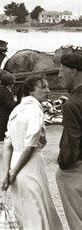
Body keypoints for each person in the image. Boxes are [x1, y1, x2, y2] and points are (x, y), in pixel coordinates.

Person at [1, 76, 63, 229]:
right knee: (36, 209)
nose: (48, 91)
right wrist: (13, 172)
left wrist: (7, 172)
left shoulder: (17, 109)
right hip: (30, 164)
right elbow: (30, 146)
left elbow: (7, 144)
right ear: (31, 90)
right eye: (43, 87)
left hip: (15, 161)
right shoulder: (35, 110)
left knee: (22, 210)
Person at [55, 53, 82, 229]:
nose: (58, 75)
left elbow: (71, 144)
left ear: (73, 71)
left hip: (77, 170)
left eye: (61, 71)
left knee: (77, 219)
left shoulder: (72, 104)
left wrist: (62, 163)